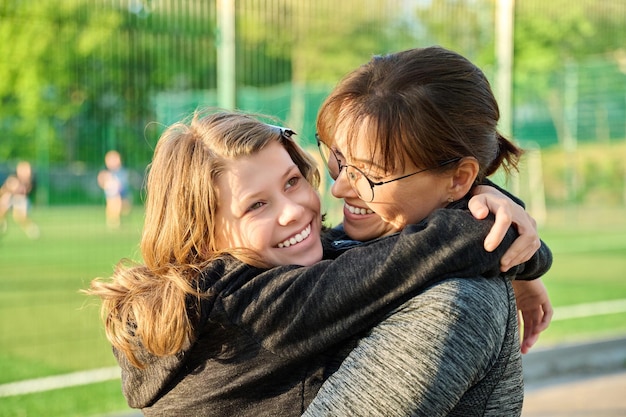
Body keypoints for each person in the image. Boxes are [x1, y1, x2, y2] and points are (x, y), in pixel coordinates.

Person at [86, 109, 551, 416]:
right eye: (256, 206)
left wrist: (498, 221)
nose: (293, 210)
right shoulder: (235, 306)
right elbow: (442, 246)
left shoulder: (257, 273)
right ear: (201, 232)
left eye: (291, 182)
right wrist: (484, 207)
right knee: (474, 300)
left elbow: (395, 244)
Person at [303, 45, 552, 416]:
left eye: (370, 174)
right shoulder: (364, 238)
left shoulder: (456, 303)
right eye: (339, 160)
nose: (339, 188)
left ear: (459, 179)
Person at [0, 161, 40, 239]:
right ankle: (2, 223)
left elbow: (26, 192)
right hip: (10, 197)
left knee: (18, 216)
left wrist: (18, 189)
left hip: (20, 199)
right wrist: (9, 189)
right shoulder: (12, 179)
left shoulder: (29, 182)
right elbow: (4, 190)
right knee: (3, 204)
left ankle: (31, 229)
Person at [97, 150, 131, 229]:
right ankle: (113, 221)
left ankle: (118, 219)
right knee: (113, 204)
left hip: (122, 190)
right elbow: (101, 179)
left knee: (125, 207)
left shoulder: (121, 171)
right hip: (112, 191)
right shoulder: (106, 172)